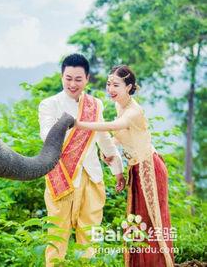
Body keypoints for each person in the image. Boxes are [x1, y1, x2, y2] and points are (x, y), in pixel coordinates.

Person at [75, 65, 174, 267]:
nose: (110, 88)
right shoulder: (120, 105)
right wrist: (110, 149)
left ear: (128, 87)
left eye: (116, 85)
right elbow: (121, 134)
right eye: (109, 84)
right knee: (137, 220)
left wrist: (80, 124)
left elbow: (115, 126)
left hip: (150, 168)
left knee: (151, 220)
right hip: (136, 167)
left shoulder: (134, 111)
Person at [38, 53, 125, 267]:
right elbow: (47, 136)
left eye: (78, 79)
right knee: (57, 237)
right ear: (61, 77)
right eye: (68, 78)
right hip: (61, 178)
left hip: (92, 177)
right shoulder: (49, 104)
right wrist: (72, 125)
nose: (72, 84)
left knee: (90, 238)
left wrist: (117, 169)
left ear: (87, 79)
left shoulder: (95, 105)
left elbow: (103, 137)